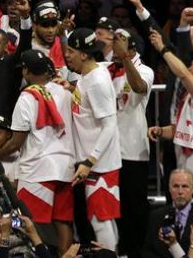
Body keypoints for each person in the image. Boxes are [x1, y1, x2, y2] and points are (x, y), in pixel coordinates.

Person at [0, 49, 75, 254]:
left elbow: (16, 142)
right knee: (62, 221)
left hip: (39, 169)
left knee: (28, 222)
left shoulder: (26, 97)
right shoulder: (64, 91)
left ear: (27, 71)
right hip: (66, 166)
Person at [65, 28, 122, 250]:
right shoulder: (86, 75)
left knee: (100, 220)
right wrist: (70, 89)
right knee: (102, 219)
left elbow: (110, 125)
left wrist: (90, 161)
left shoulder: (97, 81)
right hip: (94, 163)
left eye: (70, 51)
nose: (67, 55)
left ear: (84, 54)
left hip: (100, 165)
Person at [109, 29, 154, 258]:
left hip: (134, 152)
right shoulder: (110, 69)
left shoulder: (145, 70)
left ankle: (138, 252)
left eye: (120, 44)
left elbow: (138, 87)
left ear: (132, 48)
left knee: (134, 208)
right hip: (110, 152)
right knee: (115, 208)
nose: (114, 49)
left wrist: (124, 57)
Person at [148, 30, 193, 195]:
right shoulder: (186, 97)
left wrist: (162, 48)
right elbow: (179, 129)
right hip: (185, 168)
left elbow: (182, 74)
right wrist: (161, 131)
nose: (190, 68)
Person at [143, 169, 193, 258]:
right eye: (176, 186)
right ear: (169, 188)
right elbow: (149, 252)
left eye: (185, 186)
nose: (180, 192)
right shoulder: (156, 216)